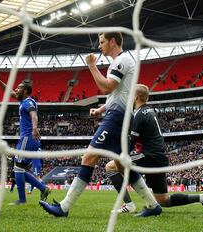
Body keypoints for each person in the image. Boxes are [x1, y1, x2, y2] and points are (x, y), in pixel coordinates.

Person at [39, 32, 162, 217]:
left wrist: (91, 65)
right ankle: (153, 205)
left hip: (117, 118)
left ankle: (64, 207)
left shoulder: (123, 60)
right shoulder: (122, 61)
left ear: (113, 41)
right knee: (122, 166)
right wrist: (101, 110)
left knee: (88, 157)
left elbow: (107, 87)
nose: (99, 46)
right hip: (119, 116)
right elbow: (117, 95)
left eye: (102, 42)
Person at [105, 84, 203, 213]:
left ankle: (128, 205)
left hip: (150, 156)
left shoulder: (139, 115)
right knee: (163, 200)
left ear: (135, 97)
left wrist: (115, 156)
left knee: (111, 166)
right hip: (159, 157)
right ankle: (202, 197)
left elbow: (130, 143)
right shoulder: (149, 111)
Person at [0, 72, 50, 205]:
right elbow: (9, 92)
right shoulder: (23, 101)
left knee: (18, 168)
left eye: (19, 88)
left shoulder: (28, 102)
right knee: (21, 169)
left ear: (25, 91)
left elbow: (34, 115)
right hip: (30, 139)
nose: (16, 90)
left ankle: (22, 200)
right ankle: (43, 188)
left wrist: (34, 128)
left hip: (27, 138)